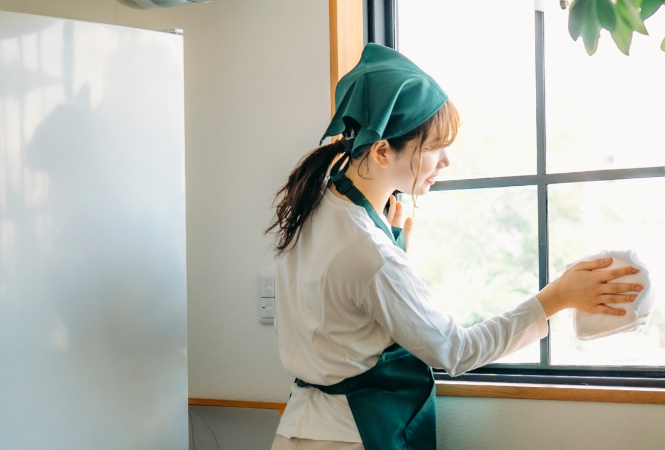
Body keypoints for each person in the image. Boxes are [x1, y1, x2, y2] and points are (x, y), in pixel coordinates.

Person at [265, 43, 642, 450]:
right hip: (351, 437)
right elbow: (456, 351)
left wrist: (392, 244)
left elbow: (340, 317)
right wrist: (556, 298)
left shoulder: (313, 209)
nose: (445, 162)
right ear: (382, 151)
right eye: (433, 147)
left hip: (296, 431)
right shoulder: (370, 252)